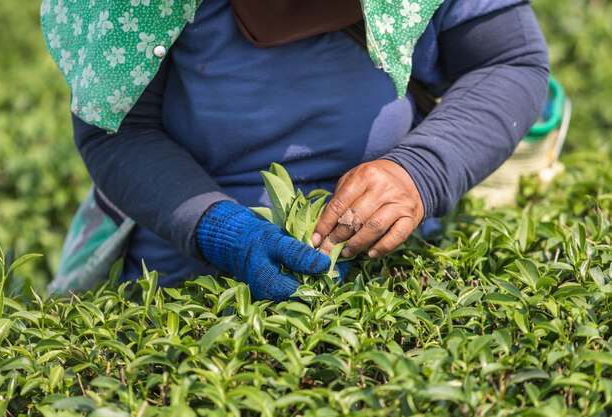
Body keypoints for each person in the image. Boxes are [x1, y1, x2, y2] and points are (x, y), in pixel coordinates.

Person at [41, 0, 549, 302]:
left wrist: (419, 172)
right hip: (183, 285)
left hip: (393, 269)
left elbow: (509, 61)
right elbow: (117, 129)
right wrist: (218, 229)